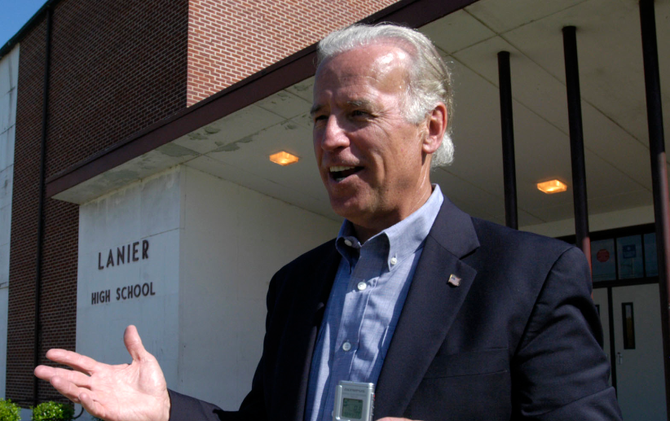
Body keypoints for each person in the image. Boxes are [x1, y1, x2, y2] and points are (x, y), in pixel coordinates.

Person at [35, 23, 622, 421]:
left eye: (358, 114)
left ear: (432, 128)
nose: (330, 138)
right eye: (319, 116)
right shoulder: (295, 286)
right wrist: (166, 411)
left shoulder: (531, 275)